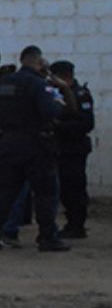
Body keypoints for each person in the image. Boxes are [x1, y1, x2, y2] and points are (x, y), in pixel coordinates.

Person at [0, 45, 66, 252]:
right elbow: (50, 112)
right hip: (36, 146)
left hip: (9, 144)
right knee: (45, 193)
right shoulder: (39, 84)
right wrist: (58, 102)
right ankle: (47, 237)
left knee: (6, 192)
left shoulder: (6, 81)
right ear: (39, 63)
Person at [48, 59, 92, 241]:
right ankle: (72, 223)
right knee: (65, 189)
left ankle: (77, 225)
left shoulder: (80, 94)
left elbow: (86, 123)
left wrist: (58, 126)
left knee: (75, 188)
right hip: (60, 148)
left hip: (74, 148)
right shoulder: (57, 94)